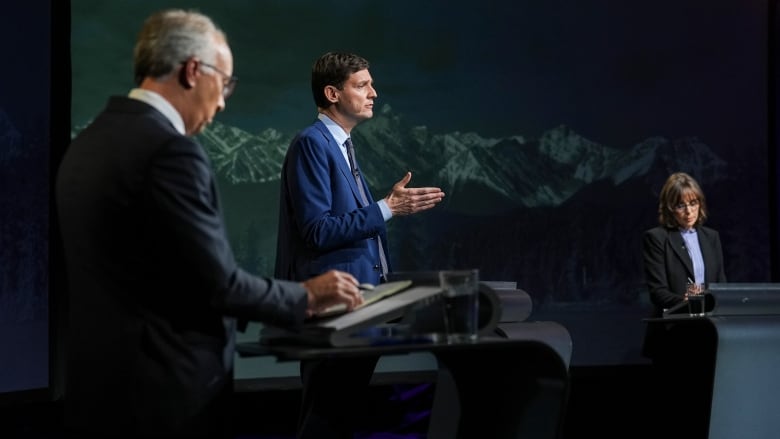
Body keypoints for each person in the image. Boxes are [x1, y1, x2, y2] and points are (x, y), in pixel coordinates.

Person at [56, 10, 363, 439]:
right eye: (225, 83)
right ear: (192, 71)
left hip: (97, 394)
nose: (222, 101)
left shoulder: (87, 145)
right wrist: (304, 296)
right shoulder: (171, 152)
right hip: (167, 398)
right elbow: (217, 284)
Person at [274, 52, 445, 438]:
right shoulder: (312, 144)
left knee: (339, 415)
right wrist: (387, 207)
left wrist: (386, 208)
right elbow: (317, 230)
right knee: (326, 416)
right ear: (333, 93)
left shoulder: (342, 146)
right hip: (334, 307)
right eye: (362, 85)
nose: (374, 93)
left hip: (361, 307)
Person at [640, 171, 727, 438]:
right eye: (681, 205)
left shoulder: (711, 237)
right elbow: (659, 293)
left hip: (707, 337)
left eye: (693, 203)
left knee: (706, 414)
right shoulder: (657, 238)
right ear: (669, 207)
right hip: (674, 339)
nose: (688, 211)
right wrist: (691, 301)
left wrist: (713, 301)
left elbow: (721, 284)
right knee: (676, 418)